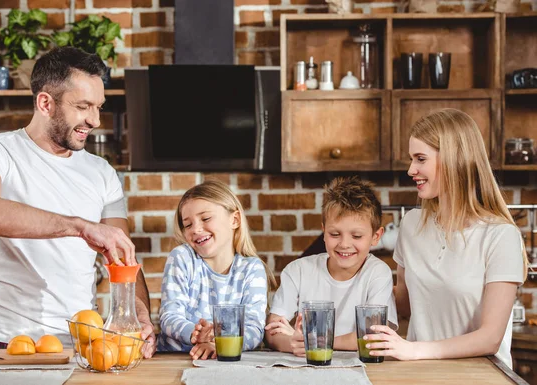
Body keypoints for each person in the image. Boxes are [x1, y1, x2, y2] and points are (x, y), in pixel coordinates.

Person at [0, 47, 155, 357]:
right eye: (83, 106)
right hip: (6, 341)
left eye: (99, 107)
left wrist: (139, 312)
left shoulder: (102, 172)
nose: (95, 120)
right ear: (45, 103)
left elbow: (122, 253)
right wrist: (80, 227)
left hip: (85, 343)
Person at [363, 109, 527, 369]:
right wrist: (348, 276)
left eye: (420, 159)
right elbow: (403, 303)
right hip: (422, 373)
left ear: (454, 160)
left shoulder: (500, 236)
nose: (410, 170)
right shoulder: (412, 225)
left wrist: (414, 350)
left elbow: (490, 338)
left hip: (481, 375)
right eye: (411, 159)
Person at [265, 176, 397, 355]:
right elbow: (273, 330)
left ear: (376, 236)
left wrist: (313, 341)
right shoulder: (298, 270)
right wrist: (292, 343)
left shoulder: (378, 273)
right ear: (324, 232)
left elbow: (371, 336)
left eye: (356, 236)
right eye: (335, 234)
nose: (344, 244)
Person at [157, 180, 275, 359]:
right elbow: (169, 316)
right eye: (187, 225)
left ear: (234, 220)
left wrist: (218, 341)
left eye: (205, 219)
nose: (196, 229)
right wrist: (196, 334)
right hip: (175, 359)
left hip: (227, 361)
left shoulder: (252, 269)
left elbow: (254, 330)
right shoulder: (181, 257)